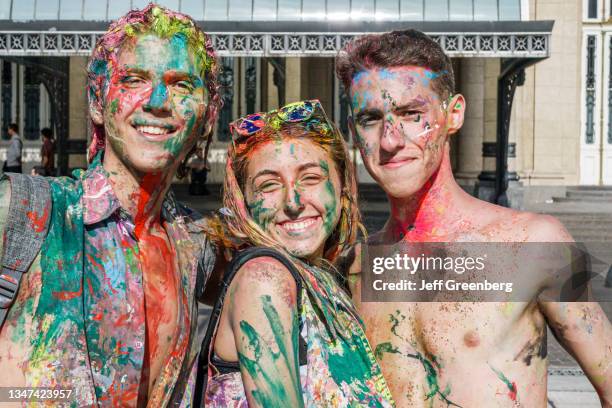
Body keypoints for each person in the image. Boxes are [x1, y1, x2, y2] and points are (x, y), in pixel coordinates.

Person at [336, 30, 612, 407]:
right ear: (353, 133)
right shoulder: (353, 267)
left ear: (453, 114)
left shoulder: (531, 245)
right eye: (370, 119)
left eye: (412, 114)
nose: (389, 140)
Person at [0, 4, 219, 406]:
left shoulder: (198, 247)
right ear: (98, 103)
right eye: (134, 79)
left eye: (182, 85)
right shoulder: (24, 210)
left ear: (206, 117)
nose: (157, 101)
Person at [201, 100, 394, 407]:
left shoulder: (323, 277)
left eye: (311, 178)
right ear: (243, 201)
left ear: (342, 185)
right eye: (269, 185)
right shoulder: (264, 279)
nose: (293, 201)